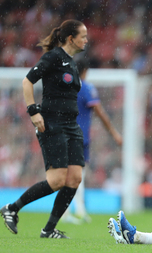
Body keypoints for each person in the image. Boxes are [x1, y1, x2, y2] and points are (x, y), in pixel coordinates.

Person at [0, 20, 88, 239]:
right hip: (53, 123)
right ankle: (12, 207)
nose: (86, 40)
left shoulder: (71, 62)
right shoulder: (53, 57)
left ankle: (48, 229)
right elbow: (27, 82)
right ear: (71, 38)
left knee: (75, 178)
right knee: (57, 180)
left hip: (71, 125)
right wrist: (33, 111)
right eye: (83, 36)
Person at [61, 58, 122, 224]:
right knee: (76, 174)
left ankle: (75, 211)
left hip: (65, 135)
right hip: (79, 137)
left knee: (72, 173)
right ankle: (72, 212)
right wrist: (114, 133)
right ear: (85, 70)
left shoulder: (65, 88)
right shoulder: (86, 88)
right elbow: (100, 113)